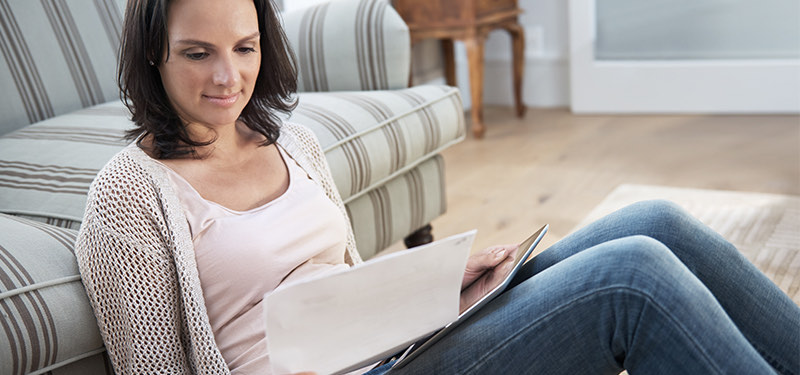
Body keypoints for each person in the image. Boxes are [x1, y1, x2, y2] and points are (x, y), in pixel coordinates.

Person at [75, 0, 800, 374]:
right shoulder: (129, 195)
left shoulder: (289, 140)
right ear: (153, 57)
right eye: (197, 54)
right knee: (633, 279)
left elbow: (346, 291)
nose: (228, 77)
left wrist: (440, 285)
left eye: (244, 48)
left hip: (400, 349)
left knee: (657, 223)